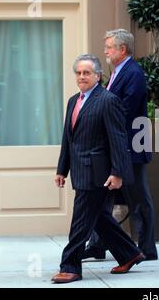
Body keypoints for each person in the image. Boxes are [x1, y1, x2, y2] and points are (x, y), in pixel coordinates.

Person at [51, 54, 145, 284]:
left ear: (98, 76)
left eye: (87, 73)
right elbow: (68, 138)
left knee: (81, 220)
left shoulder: (108, 100)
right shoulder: (73, 100)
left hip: (99, 173)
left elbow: (118, 140)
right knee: (99, 217)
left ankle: (70, 266)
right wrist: (62, 169)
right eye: (79, 73)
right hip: (80, 171)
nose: (82, 77)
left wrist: (118, 172)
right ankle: (129, 254)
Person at [83, 29, 158, 261]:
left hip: (130, 147)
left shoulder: (133, 73)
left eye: (109, 47)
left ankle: (146, 248)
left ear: (122, 49)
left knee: (137, 199)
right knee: (102, 198)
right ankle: (97, 245)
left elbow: (124, 110)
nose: (105, 50)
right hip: (115, 147)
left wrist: (99, 123)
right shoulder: (117, 72)